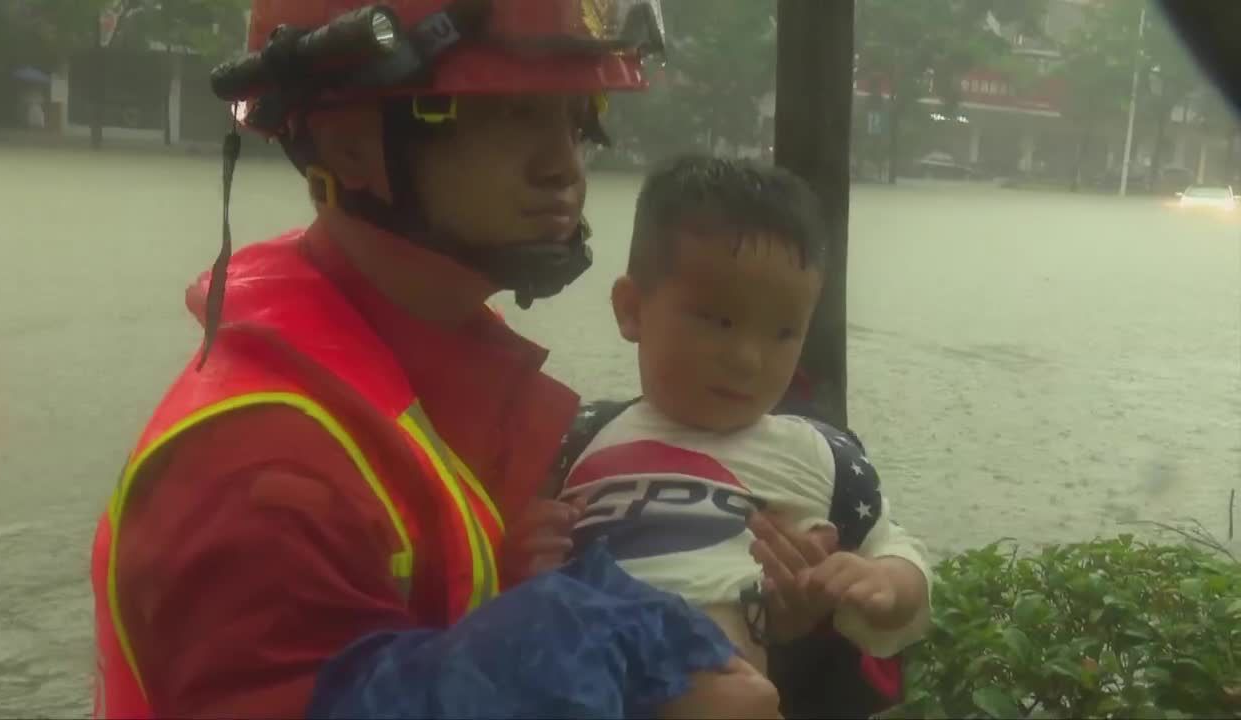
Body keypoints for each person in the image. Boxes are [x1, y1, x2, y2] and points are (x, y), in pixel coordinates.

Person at [88, 2, 781, 719]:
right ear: (351, 143)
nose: (562, 167)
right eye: (511, 112)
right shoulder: (260, 471)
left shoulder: (418, 364)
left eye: (577, 119)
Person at [555, 155, 932, 696]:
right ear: (632, 309)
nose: (748, 359)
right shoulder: (576, 437)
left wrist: (884, 584)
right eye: (720, 321)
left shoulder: (821, 457)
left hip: (715, 682)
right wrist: (521, 556)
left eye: (783, 332)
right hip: (572, 663)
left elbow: (896, 550)